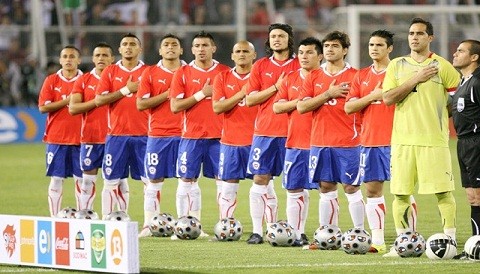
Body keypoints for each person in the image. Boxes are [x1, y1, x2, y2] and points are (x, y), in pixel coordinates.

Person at [382, 18, 460, 257]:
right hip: (403, 141)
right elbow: (388, 98)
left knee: (443, 192)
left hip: (434, 141)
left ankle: (451, 240)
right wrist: (416, 78)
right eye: (411, 33)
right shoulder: (396, 65)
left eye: (420, 33)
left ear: (430, 38)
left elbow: (458, 101)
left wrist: (438, 117)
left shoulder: (443, 66)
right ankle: (402, 243)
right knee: (401, 193)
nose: (414, 37)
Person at [344, 30, 418, 253]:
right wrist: (372, 96)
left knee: (402, 191)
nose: (374, 48)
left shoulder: (400, 72)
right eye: (371, 44)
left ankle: (408, 238)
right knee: (372, 190)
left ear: (390, 48)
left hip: (398, 140)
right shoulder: (361, 76)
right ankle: (377, 241)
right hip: (370, 141)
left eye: (379, 45)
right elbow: (349, 107)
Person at [297, 31, 363, 235]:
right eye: (326, 46)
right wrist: (328, 94)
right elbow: (301, 107)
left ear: (344, 50)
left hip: (349, 142)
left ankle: (359, 232)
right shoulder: (314, 76)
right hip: (320, 141)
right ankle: (328, 233)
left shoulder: (356, 76)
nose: (329, 49)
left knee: (351, 188)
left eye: (335, 46)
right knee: (325, 187)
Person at [170, 31, 230, 237]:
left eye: (205, 45)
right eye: (197, 46)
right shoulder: (183, 72)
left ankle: (225, 226)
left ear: (213, 48)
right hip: (191, 137)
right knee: (187, 180)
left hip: (220, 137)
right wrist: (201, 94)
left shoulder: (224, 72)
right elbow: (175, 106)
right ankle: (186, 226)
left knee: (223, 182)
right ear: (192, 49)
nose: (201, 49)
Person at [245, 23, 300, 244]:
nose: (277, 39)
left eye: (281, 36)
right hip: (265, 132)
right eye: (273, 36)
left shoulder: (300, 64)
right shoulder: (260, 66)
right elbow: (250, 100)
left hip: (294, 133)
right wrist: (276, 87)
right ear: (269, 40)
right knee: (260, 179)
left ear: (289, 39)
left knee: (295, 183)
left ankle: (298, 231)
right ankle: (258, 231)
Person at [272, 37, 323, 246]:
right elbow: (277, 107)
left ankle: (326, 234)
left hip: (320, 142)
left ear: (320, 56)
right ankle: (297, 233)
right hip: (294, 142)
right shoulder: (290, 78)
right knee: (293, 189)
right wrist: (301, 102)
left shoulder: (327, 78)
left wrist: (302, 103)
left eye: (309, 52)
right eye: (301, 52)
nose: (304, 56)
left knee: (326, 190)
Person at [136, 34, 186, 237]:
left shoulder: (188, 72)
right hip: (158, 134)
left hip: (186, 134)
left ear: (181, 50)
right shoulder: (150, 73)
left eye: (175, 44)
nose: (170, 47)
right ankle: (149, 224)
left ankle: (185, 224)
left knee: (187, 180)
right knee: (153, 180)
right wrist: (167, 95)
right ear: (160, 51)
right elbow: (141, 104)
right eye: (166, 44)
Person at [95, 33, 148, 219]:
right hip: (117, 135)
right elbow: (99, 100)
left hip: (145, 135)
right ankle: (106, 220)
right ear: (119, 49)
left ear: (140, 49)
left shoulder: (149, 71)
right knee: (110, 181)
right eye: (124, 44)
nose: (128, 47)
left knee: (150, 182)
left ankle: (150, 224)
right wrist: (126, 90)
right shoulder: (110, 71)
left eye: (133, 44)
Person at [212, 40, 258, 220]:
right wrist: (241, 93)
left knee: (263, 185)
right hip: (230, 141)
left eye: (246, 51)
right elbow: (217, 107)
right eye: (237, 51)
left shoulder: (260, 77)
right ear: (232, 55)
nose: (241, 54)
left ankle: (268, 228)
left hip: (257, 141)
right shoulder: (222, 78)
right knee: (228, 186)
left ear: (254, 55)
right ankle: (226, 224)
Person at [69, 42, 115, 211]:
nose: (101, 58)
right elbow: (73, 108)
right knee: (87, 180)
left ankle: (112, 217)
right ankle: (85, 215)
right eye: (97, 55)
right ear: (93, 58)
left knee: (117, 180)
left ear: (112, 58)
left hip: (115, 137)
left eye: (105, 55)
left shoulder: (119, 79)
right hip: (91, 136)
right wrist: (96, 102)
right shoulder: (84, 79)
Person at [38, 45, 83, 217]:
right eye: (65, 56)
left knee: (83, 181)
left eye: (72, 56)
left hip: (81, 138)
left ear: (79, 60)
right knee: (56, 179)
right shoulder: (51, 80)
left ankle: (82, 217)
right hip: (56, 138)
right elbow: (43, 107)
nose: (68, 59)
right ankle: (54, 218)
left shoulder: (85, 80)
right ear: (60, 60)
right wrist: (69, 101)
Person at [451, 39, 480, 259]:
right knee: (472, 197)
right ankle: (475, 247)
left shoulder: (478, 82)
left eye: (461, 51)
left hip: (476, 142)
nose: (455, 53)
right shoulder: (464, 81)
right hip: (463, 143)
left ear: (474, 57)